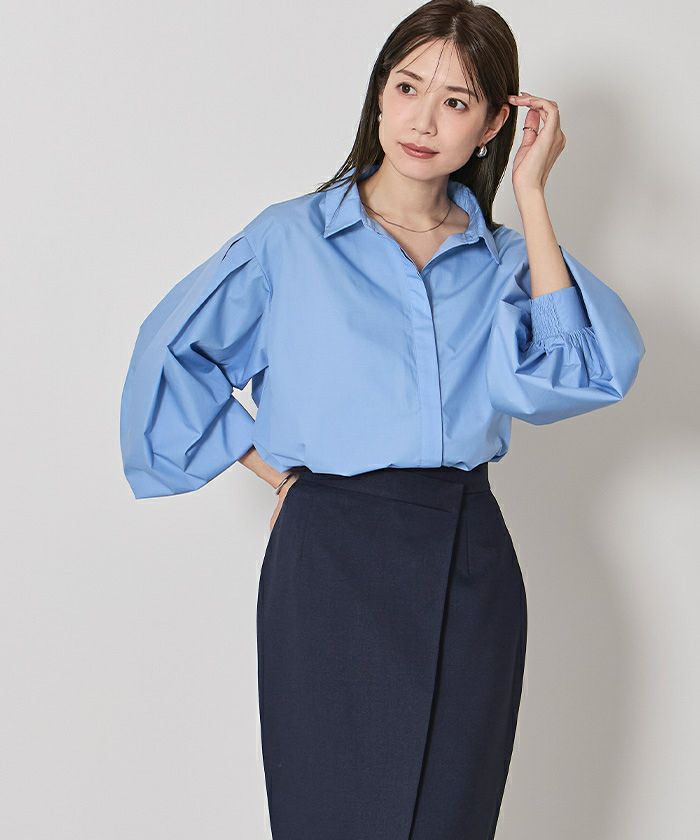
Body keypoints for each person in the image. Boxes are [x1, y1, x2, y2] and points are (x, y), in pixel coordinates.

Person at [119, 2, 645, 838]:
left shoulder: (505, 260)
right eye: (407, 87)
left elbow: (581, 372)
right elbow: (172, 354)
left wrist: (532, 197)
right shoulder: (290, 239)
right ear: (378, 94)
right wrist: (275, 473)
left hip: (468, 555)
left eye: (456, 101)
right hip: (329, 556)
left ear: (492, 125)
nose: (423, 119)